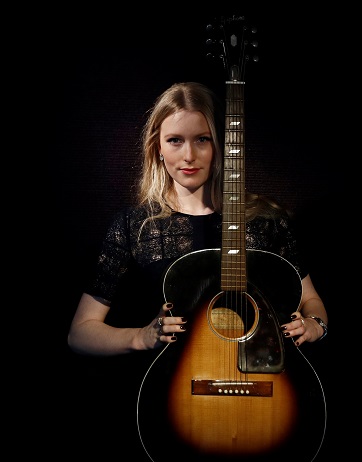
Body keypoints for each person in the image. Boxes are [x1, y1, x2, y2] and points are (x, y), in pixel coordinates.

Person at [67, 81, 328, 356]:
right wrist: (141, 337)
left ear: (220, 144)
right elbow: (80, 333)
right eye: (175, 140)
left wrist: (315, 325)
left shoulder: (266, 221)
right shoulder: (134, 226)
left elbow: (311, 300)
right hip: (173, 387)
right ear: (158, 146)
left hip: (261, 379)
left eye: (202, 139)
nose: (188, 156)